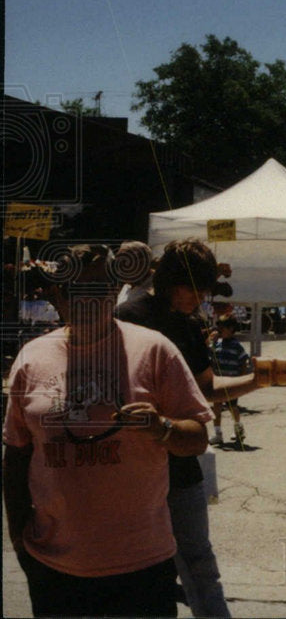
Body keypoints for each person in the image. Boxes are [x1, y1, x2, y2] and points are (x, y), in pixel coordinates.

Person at [3, 244, 212, 617]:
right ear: (57, 294)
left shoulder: (154, 350)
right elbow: (16, 457)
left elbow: (197, 437)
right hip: (54, 568)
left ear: (114, 292)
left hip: (141, 567)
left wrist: (161, 428)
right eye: (74, 290)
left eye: (99, 290)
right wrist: (21, 542)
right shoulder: (30, 359)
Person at [116, 238, 267, 618]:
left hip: (181, 463)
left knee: (199, 562)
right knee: (138, 572)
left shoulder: (190, 322)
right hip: (132, 467)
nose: (200, 299)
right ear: (170, 281)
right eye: (195, 289)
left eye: (205, 291)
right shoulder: (128, 315)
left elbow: (203, 389)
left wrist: (256, 381)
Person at [209, 314, 252, 446]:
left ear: (231, 328)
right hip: (218, 381)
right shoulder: (217, 343)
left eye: (222, 328)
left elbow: (244, 362)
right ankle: (217, 433)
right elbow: (210, 356)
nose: (219, 330)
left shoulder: (236, 345)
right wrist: (212, 343)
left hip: (232, 381)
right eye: (218, 327)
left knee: (232, 406)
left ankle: (238, 429)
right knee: (216, 406)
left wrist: (242, 379)